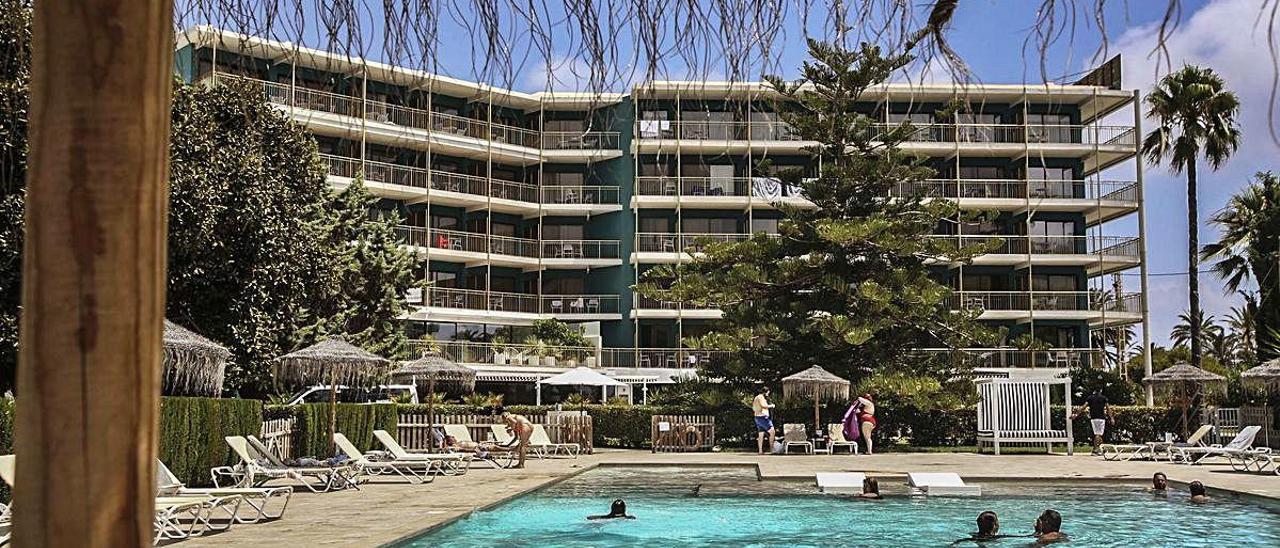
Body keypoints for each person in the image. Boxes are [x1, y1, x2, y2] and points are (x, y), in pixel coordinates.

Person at [1072, 389, 1113, 455]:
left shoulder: (1090, 398)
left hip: (1093, 418)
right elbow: (1108, 409)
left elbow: (1083, 407)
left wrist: (1076, 414)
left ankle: (1102, 449)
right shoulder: (1104, 398)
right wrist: (1111, 418)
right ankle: (1095, 450)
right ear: (1100, 391)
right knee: (1098, 434)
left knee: (1099, 434)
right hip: (1101, 418)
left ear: (1094, 391)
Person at [752, 386, 777, 454]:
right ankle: (772, 450)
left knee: (761, 434)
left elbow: (754, 408)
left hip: (757, 418)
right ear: (766, 392)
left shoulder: (756, 397)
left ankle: (760, 451)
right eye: (768, 393)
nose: (768, 395)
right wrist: (771, 406)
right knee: (772, 432)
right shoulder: (761, 397)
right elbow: (763, 405)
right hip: (763, 418)